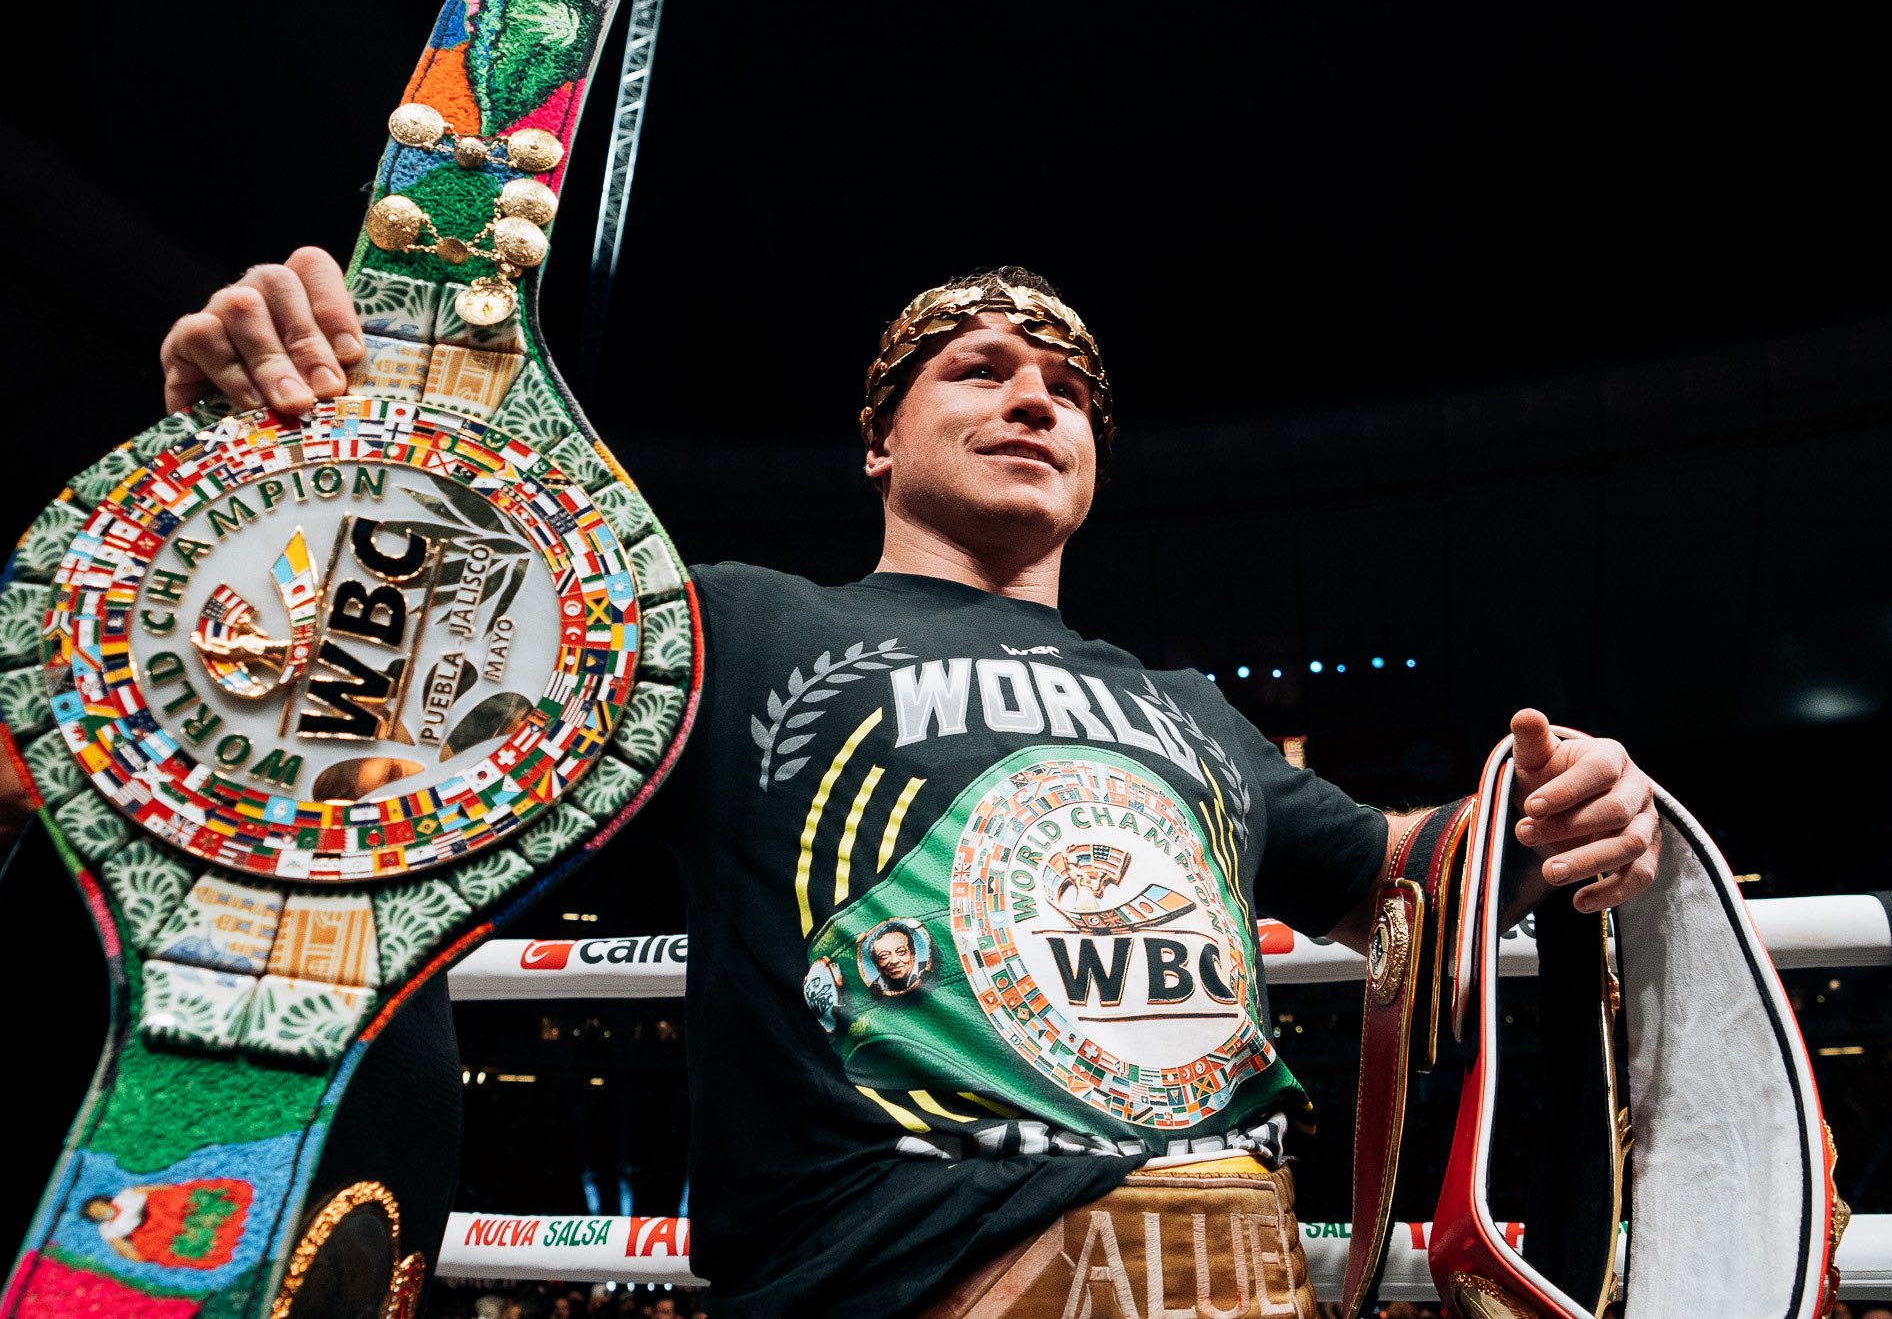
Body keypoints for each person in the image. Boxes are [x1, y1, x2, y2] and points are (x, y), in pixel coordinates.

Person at [27, 252, 1662, 1316]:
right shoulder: (723, 619)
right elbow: (365, 717)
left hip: (1233, 1274)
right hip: (887, 1284)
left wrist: (1560, 800)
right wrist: (261, 471)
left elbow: (1418, 861)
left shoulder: (1189, 710)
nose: (1035, 396)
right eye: (980, 369)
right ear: (876, 442)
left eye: (1070, 389)